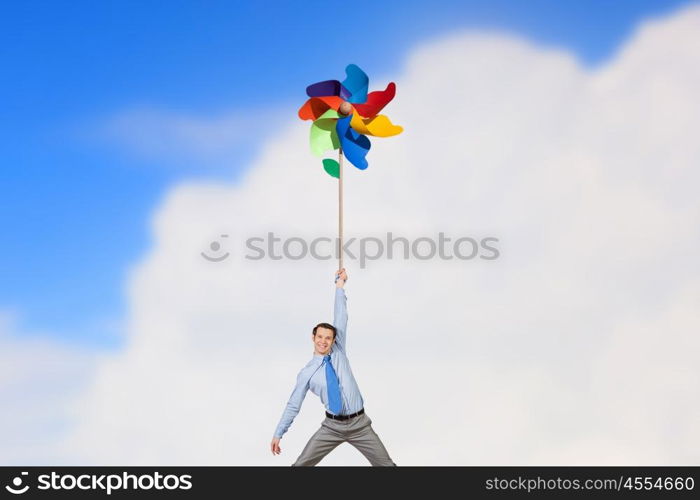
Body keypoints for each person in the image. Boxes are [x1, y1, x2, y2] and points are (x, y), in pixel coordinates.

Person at [270, 268, 396, 466]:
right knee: (300, 465)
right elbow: (293, 405)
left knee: (387, 466)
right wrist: (279, 433)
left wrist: (339, 286)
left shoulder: (339, 351)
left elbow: (340, 316)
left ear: (334, 340)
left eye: (328, 338)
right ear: (313, 338)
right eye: (320, 337)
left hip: (360, 425)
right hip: (332, 427)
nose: (323, 341)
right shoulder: (306, 373)